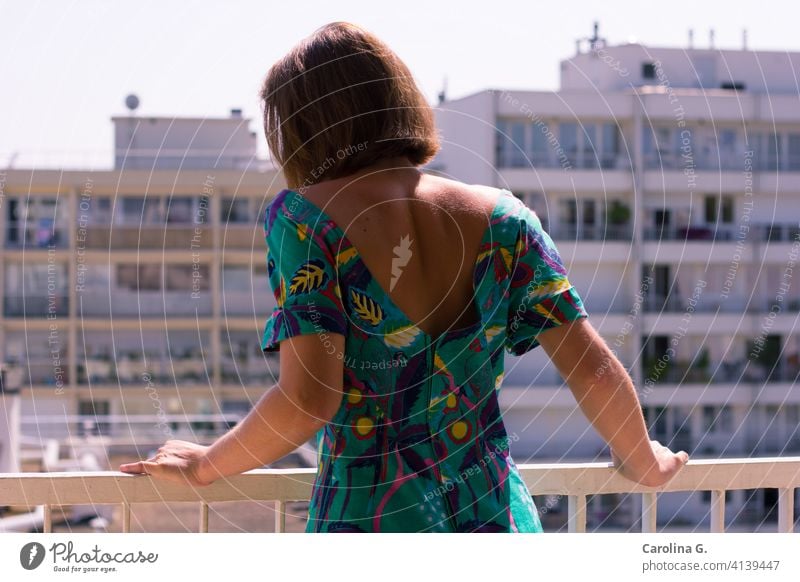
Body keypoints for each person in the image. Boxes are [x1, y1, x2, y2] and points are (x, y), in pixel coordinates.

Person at [119, 21, 689, 532]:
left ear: (302, 130)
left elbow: (308, 400)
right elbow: (590, 368)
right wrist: (644, 460)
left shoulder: (304, 219)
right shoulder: (506, 218)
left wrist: (205, 464)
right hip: (497, 526)